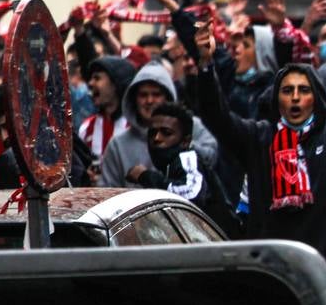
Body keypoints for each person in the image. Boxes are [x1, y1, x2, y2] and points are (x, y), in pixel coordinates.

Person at [196, 0, 326, 305]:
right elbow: (217, 117)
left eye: (303, 90)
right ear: (277, 99)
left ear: (316, 98)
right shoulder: (258, 139)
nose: (295, 98)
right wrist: (205, 64)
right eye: (287, 91)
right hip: (276, 275)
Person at [125, 101, 240, 236]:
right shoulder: (169, 166)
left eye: (166, 133)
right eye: (153, 132)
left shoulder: (188, 157)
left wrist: (145, 176)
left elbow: (192, 194)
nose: (157, 138)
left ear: (185, 141)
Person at [98, 59, 219, 187]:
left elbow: (211, 158)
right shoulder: (118, 145)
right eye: (143, 95)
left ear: (168, 97)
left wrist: (182, 145)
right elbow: (107, 189)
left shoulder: (191, 125)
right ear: (134, 99)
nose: (149, 100)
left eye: (156, 94)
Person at [77, 56, 136, 160]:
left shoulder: (135, 127)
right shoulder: (87, 128)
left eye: (97, 78)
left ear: (116, 84)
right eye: (91, 78)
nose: (90, 83)